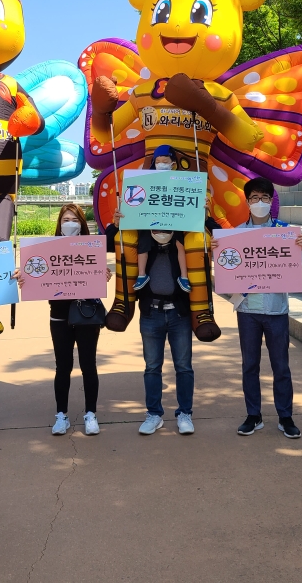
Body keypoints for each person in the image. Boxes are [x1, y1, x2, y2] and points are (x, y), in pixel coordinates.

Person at [18, 204, 112, 436]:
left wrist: (103, 275)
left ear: (81, 222)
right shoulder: (46, 249)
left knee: (88, 365)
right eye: (65, 219)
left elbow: (98, 275)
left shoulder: (92, 249)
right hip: (59, 315)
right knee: (63, 366)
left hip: (86, 314)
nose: (70, 223)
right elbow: (35, 274)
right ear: (59, 223)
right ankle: (62, 415)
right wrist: (24, 279)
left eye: (74, 219)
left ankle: (91, 414)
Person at [231, 177, 302, 439]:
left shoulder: (286, 232)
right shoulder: (236, 233)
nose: (259, 202)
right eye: (254, 198)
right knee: (249, 365)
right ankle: (254, 415)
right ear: (247, 201)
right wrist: (218, 250)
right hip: (248, 310)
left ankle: (285, 416)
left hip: (276, 310)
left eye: (265, 197)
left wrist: (299, 249)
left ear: (271, 200)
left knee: (281, 367)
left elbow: (297, 265)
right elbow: (228, 266)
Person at [135, 225, 196, 436]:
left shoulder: (182, 235)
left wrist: (206, 217)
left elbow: (216, 237)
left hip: (179, 313)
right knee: (152, 366)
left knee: (184, 366)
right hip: (151, 313)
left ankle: (185, 413)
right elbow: (107, 242)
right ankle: (153, 414)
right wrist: (116, 224)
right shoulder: (143, 236)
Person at [133, 146, 190, 293]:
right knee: (143, 238)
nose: (161, 164)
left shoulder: (182, 181)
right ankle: (141, 274)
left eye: (165, 161)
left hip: (174, 220)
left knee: (180, 243)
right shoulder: (147, 179)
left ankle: (184, 276)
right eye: (158, 161)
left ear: (173, 163)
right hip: (151, 220)